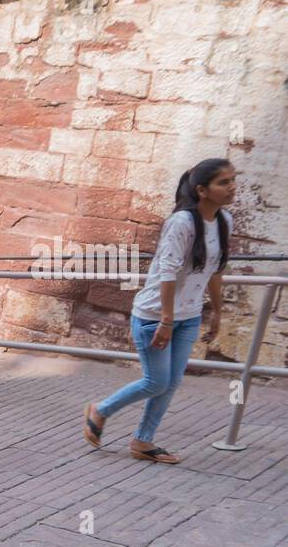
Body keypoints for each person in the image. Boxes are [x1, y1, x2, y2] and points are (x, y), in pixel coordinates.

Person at [83, 159, 236, 463]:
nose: (232, 187)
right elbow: (167, 271)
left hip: (189, 316)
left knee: (171, 382)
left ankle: (143, 441)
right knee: (156, 381)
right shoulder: (181, 222)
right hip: (155, 315)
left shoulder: (223, 221)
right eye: (224, 182)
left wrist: (217, 312)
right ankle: (100, 411)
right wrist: (165, 321)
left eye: (233, 180)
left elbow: (215, 271)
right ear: (202, 190)